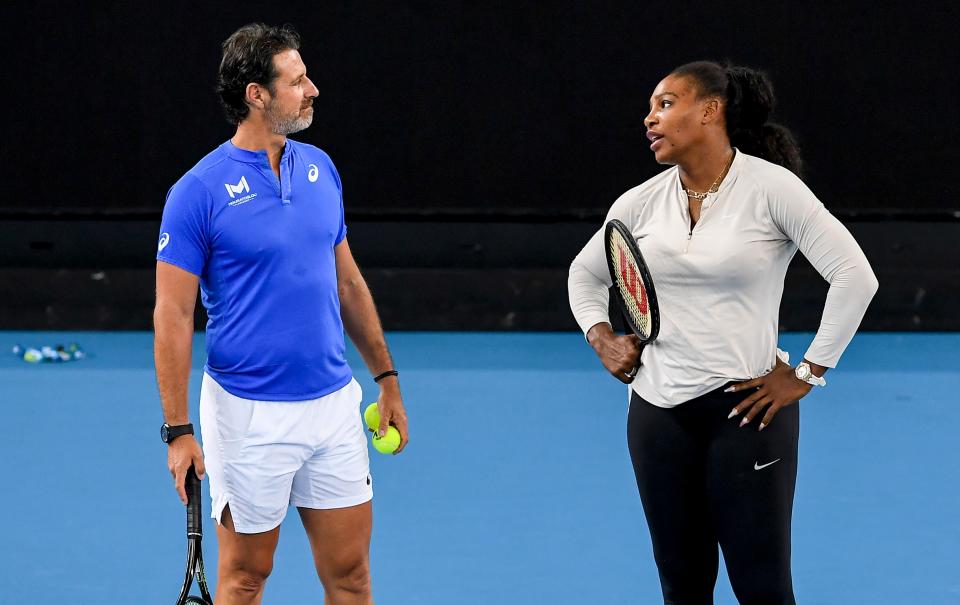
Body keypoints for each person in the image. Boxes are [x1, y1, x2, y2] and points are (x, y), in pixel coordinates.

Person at [568, 61, 878, 604]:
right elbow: (586, 273)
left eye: (666, 104)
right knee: (682, 586)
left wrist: (807, 373)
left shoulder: (772, 189)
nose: (650, 119)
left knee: (762, 588)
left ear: (711, 110)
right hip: (657, 414)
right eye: (650, 108)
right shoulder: (638, 202)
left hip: (747, 414)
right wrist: (602, 336)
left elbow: (855, 276)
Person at [153, 23, 409, 605]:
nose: (313, 89)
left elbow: (347, 281)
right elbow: (172, 314)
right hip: (246, 416)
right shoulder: (196, 191)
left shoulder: (321, 168)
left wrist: (386, 378)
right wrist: (177, 430)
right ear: (256, 94)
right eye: (297, 81)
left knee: (352, 577)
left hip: (333, 408)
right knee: (244, 580)